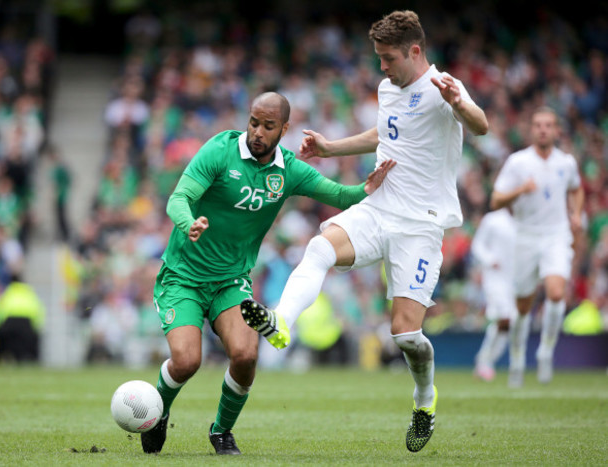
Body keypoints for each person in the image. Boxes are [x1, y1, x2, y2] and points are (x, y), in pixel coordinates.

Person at [241, 10, 488, 453]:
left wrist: (459, 104)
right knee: (319, 247)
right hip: (379, 208)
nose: (382, 67)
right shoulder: (387, 88)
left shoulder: (443, 87)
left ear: (415, 51)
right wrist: (331, 149)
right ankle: (281, 323)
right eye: (378, 58)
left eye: (388, 58)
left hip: (421, 225)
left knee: (406, 337)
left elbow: (480, 125)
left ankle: (424, 401)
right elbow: (388, 134)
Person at [140, 92, 394, 456]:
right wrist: (188, 221)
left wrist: (366, 189)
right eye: (253, 122)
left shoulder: (288, 170)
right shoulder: (220, 150)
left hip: (231, 281)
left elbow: (337, 195)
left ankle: (221, 432)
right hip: (184, 276)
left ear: (284, 129)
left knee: (246, 355)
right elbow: (178, 198)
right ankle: (159, 411)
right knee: (187, 361)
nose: (257, 132)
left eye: (268, 126)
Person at [490, 106, 584, 387]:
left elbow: (576, 188)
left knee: (556, 293)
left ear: (556, 130)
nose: (543, 129)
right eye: (538, 125)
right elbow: (495, 201)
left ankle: (545, 351)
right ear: (531, 130)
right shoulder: (518, 163)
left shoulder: (566, 163)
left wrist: (576, 213)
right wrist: (520, 190)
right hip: (524, 237)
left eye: (548, 125)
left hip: (555, 235)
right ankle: (517, 359)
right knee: (522, 307)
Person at [469, 207, 517, 381]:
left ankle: (486, 361)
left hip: (515, 281)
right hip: (494, 278)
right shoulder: (493, 219)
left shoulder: (526, 220)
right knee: (504, 317)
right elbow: (477, 245)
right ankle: (484, 363)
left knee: (507, 323)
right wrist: (490, 260)